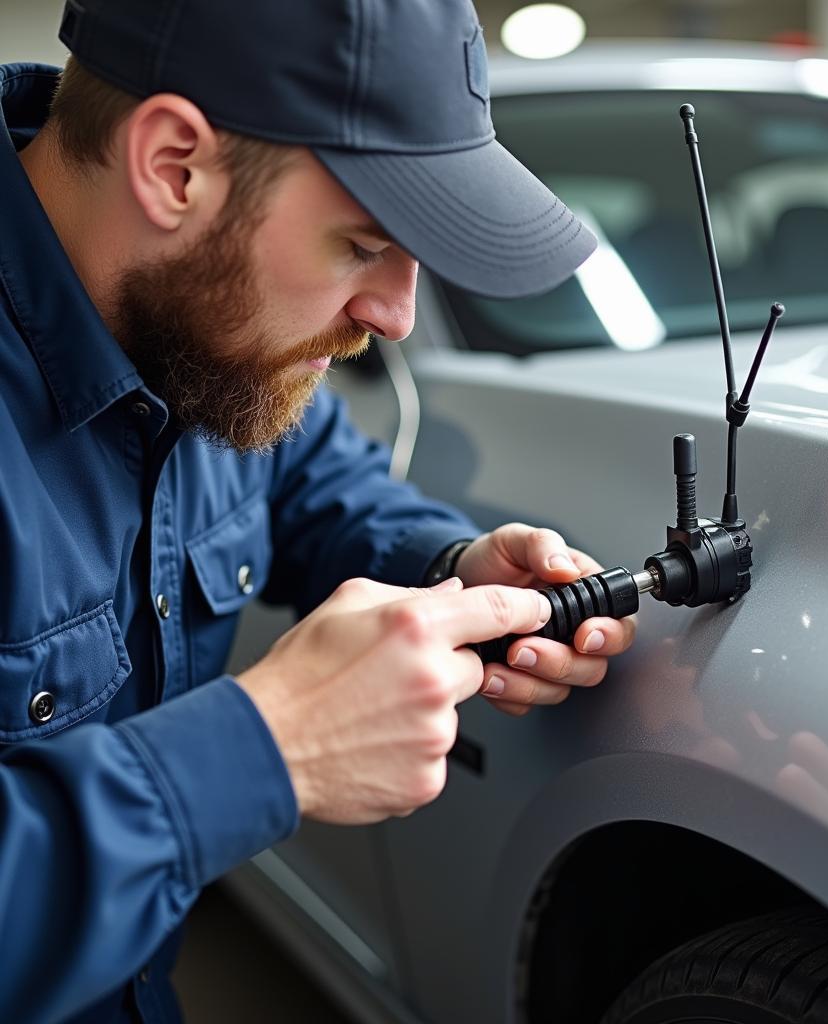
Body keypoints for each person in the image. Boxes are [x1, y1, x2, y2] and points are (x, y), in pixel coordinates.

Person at [0, 1, 636, 1021]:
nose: (395, 314)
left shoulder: (196, 327)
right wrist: (268, 748)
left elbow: (303, 474)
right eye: (362, 244)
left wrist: (448, 562)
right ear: (173, 166)